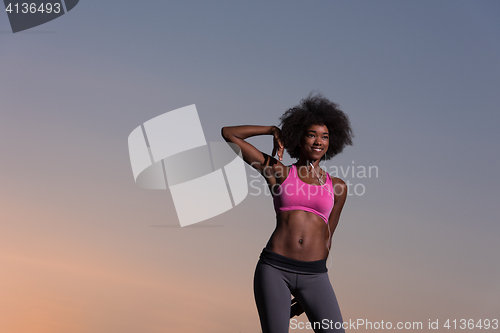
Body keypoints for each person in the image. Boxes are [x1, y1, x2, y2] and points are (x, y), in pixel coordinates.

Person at [221, 93, 353, 333]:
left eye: (324, 137)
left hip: (315, 275)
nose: (318, 141)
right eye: (312, 134)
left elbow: (328, 238)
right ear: (299, 138)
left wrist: (309, 295)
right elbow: (229, 133)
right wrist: (272, 130)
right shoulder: (279, 172)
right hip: (274, 269)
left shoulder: (338, 187)